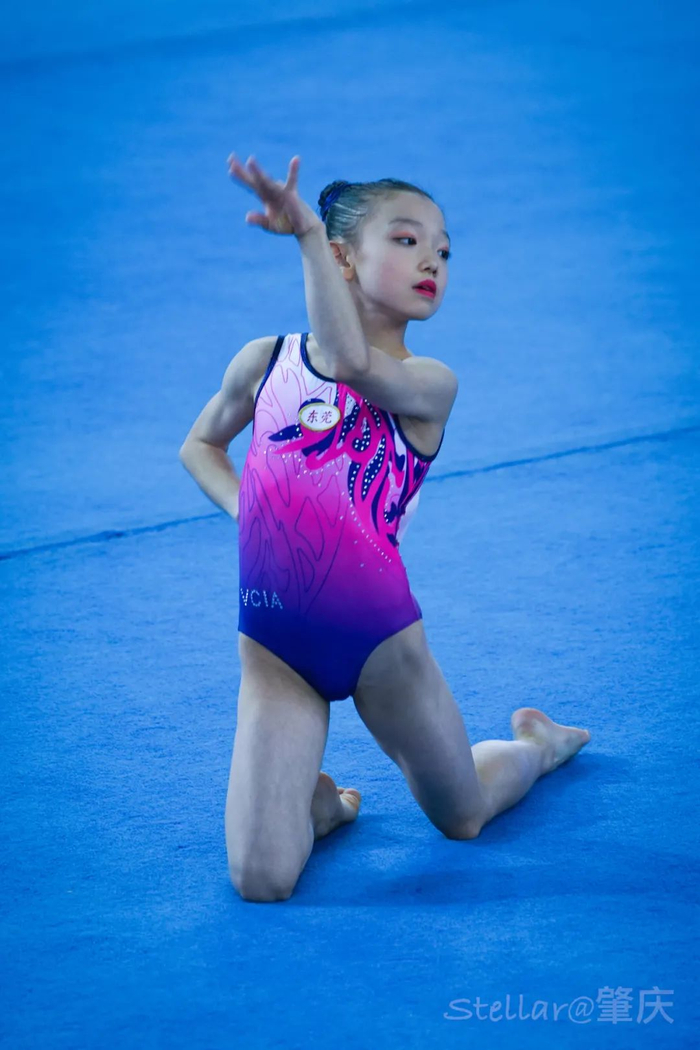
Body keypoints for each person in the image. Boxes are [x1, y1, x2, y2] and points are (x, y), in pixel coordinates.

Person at [179, 153, 591, 904]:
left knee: (464, 816)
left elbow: (346, 361)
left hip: (382, 651)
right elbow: (199, 446)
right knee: (260, 880)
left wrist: (306, 235)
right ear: (346, 258)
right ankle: (319, 807)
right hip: (275, 649)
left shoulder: (428, 386)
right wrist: (250, 512)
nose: (433, 259)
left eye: (443, 250)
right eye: (407, 240)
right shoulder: (265, 362)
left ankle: (536, 745)